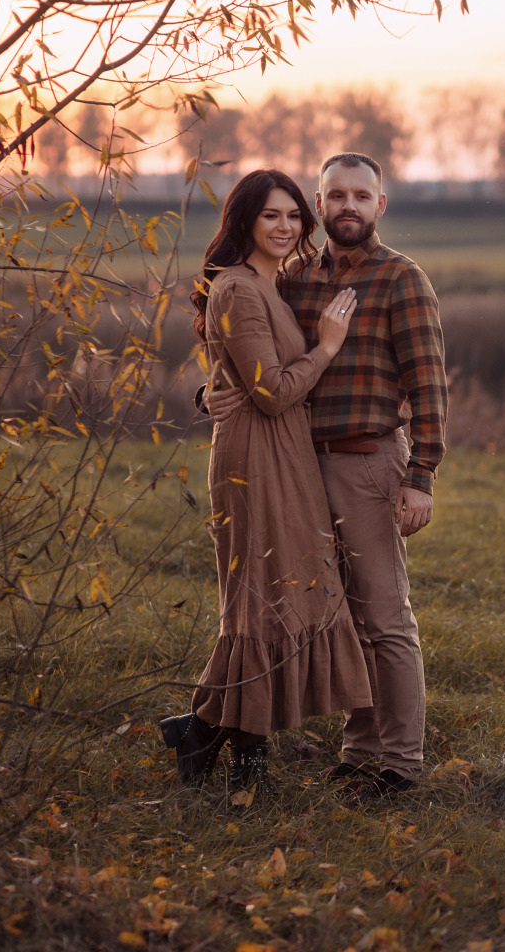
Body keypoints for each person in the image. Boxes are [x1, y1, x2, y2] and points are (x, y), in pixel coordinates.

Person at [209, 153, 446, 798]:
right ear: (322, 202)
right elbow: (253, 349)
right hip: (296, 469)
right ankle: (358, 749)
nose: (347, 206)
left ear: (380, 205)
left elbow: (429, 388)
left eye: (360, 196)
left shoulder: (401, 279)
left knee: (384, 617)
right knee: (338, 614)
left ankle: (398, 763)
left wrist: (419, 476)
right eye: (335, 195)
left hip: (368, 463)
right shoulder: (294, 277)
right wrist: (213, 395)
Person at [160, 169, 372, 796]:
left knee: (283, 597)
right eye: (270, 216)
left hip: (287, 456)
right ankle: (240, 765)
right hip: (255, 460)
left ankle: (198, 735)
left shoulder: (269, 285)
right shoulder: (236, 289)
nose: (284, 228)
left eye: (291, 217)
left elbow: (244, 376)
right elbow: (274, 392)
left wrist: (215, 389)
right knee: (259, 602)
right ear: (245, 221)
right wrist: (328, 346)